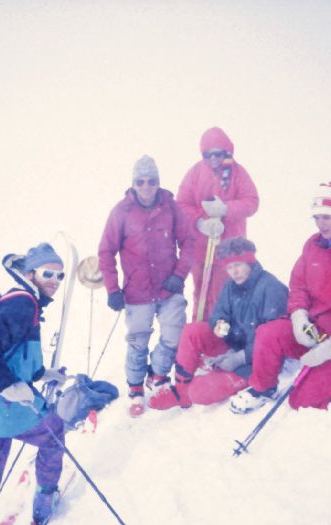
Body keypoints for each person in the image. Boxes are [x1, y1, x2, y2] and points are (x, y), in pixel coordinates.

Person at [229, 182, 331, 414]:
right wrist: (299, 317)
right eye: (316, 217)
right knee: (268, 332)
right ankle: (263, 388)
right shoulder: (313, 245)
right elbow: (298, 284)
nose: (320, 224)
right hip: (313, 332)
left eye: (326, 217)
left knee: (302, 403)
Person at [0, 243, 68, 525]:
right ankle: (45, 497)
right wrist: (8, 386)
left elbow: (16, 356)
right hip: (8, 408)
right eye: (48, 274)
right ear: (31, 274)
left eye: (60, 276)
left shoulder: (17, 300)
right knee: (54, 432)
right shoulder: (24, 304)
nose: (54, 282)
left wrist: (44, 373)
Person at [98, 155, 195, 417]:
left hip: (168, 288)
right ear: (133, 184)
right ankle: (135, 388)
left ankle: (158, 374)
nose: (146, 186)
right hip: (136, 292)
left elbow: (189, 242)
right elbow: (106, 251)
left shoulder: (171, 208)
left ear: (158, 182)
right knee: (138, 341)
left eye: (151, 181)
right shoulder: (121, 212)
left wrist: (180, 275)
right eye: (140, 181)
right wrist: (112, 289)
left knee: (174, 335)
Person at [148, 237, 288, 410]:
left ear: (250, 262)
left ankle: (229, 382)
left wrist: (239, 358)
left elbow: (274, 339)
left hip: (257, 361)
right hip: (233, 345)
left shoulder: (272, 288)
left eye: (237, 265)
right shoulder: (231, 286)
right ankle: (181, 390)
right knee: (193, 331)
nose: (233, 272)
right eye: (229, 267)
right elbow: (218, 312)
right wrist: (219, 324)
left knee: (199, 392)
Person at [176, 127, 259, 322]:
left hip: (230, 248)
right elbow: (181, 204)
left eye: (218, 153)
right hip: (200, 247)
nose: (213, 158)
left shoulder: (238, 173)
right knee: (201, 292)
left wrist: (227, 210)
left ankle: (222, 335)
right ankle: (199, 331)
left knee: (225, 294)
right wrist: (200, 222)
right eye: (208, 154)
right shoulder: (195, 173)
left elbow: (252, 202)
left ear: (226, 151)